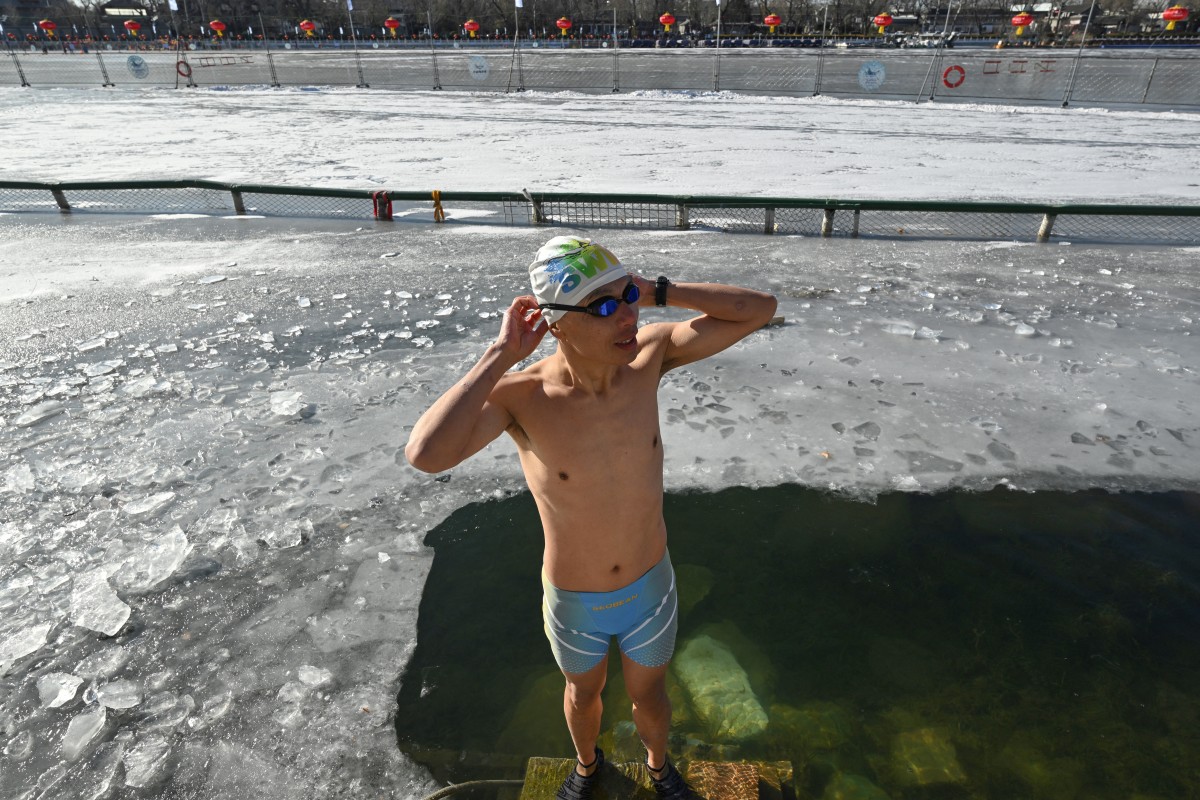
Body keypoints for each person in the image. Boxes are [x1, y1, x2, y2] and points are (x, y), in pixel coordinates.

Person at [405, 236, 777, 800]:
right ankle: (586, 765)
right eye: (603, 306)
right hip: (574, 600)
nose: (626, 316)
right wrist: (501, 354)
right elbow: (426, 455)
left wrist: (656, 291)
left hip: (650, 588)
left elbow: (759, 309)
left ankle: (659, 768)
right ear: (556, 324)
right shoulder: (521, 397)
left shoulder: (649, 358)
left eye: (626, 297)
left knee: (650, 696)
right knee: (583, 695)